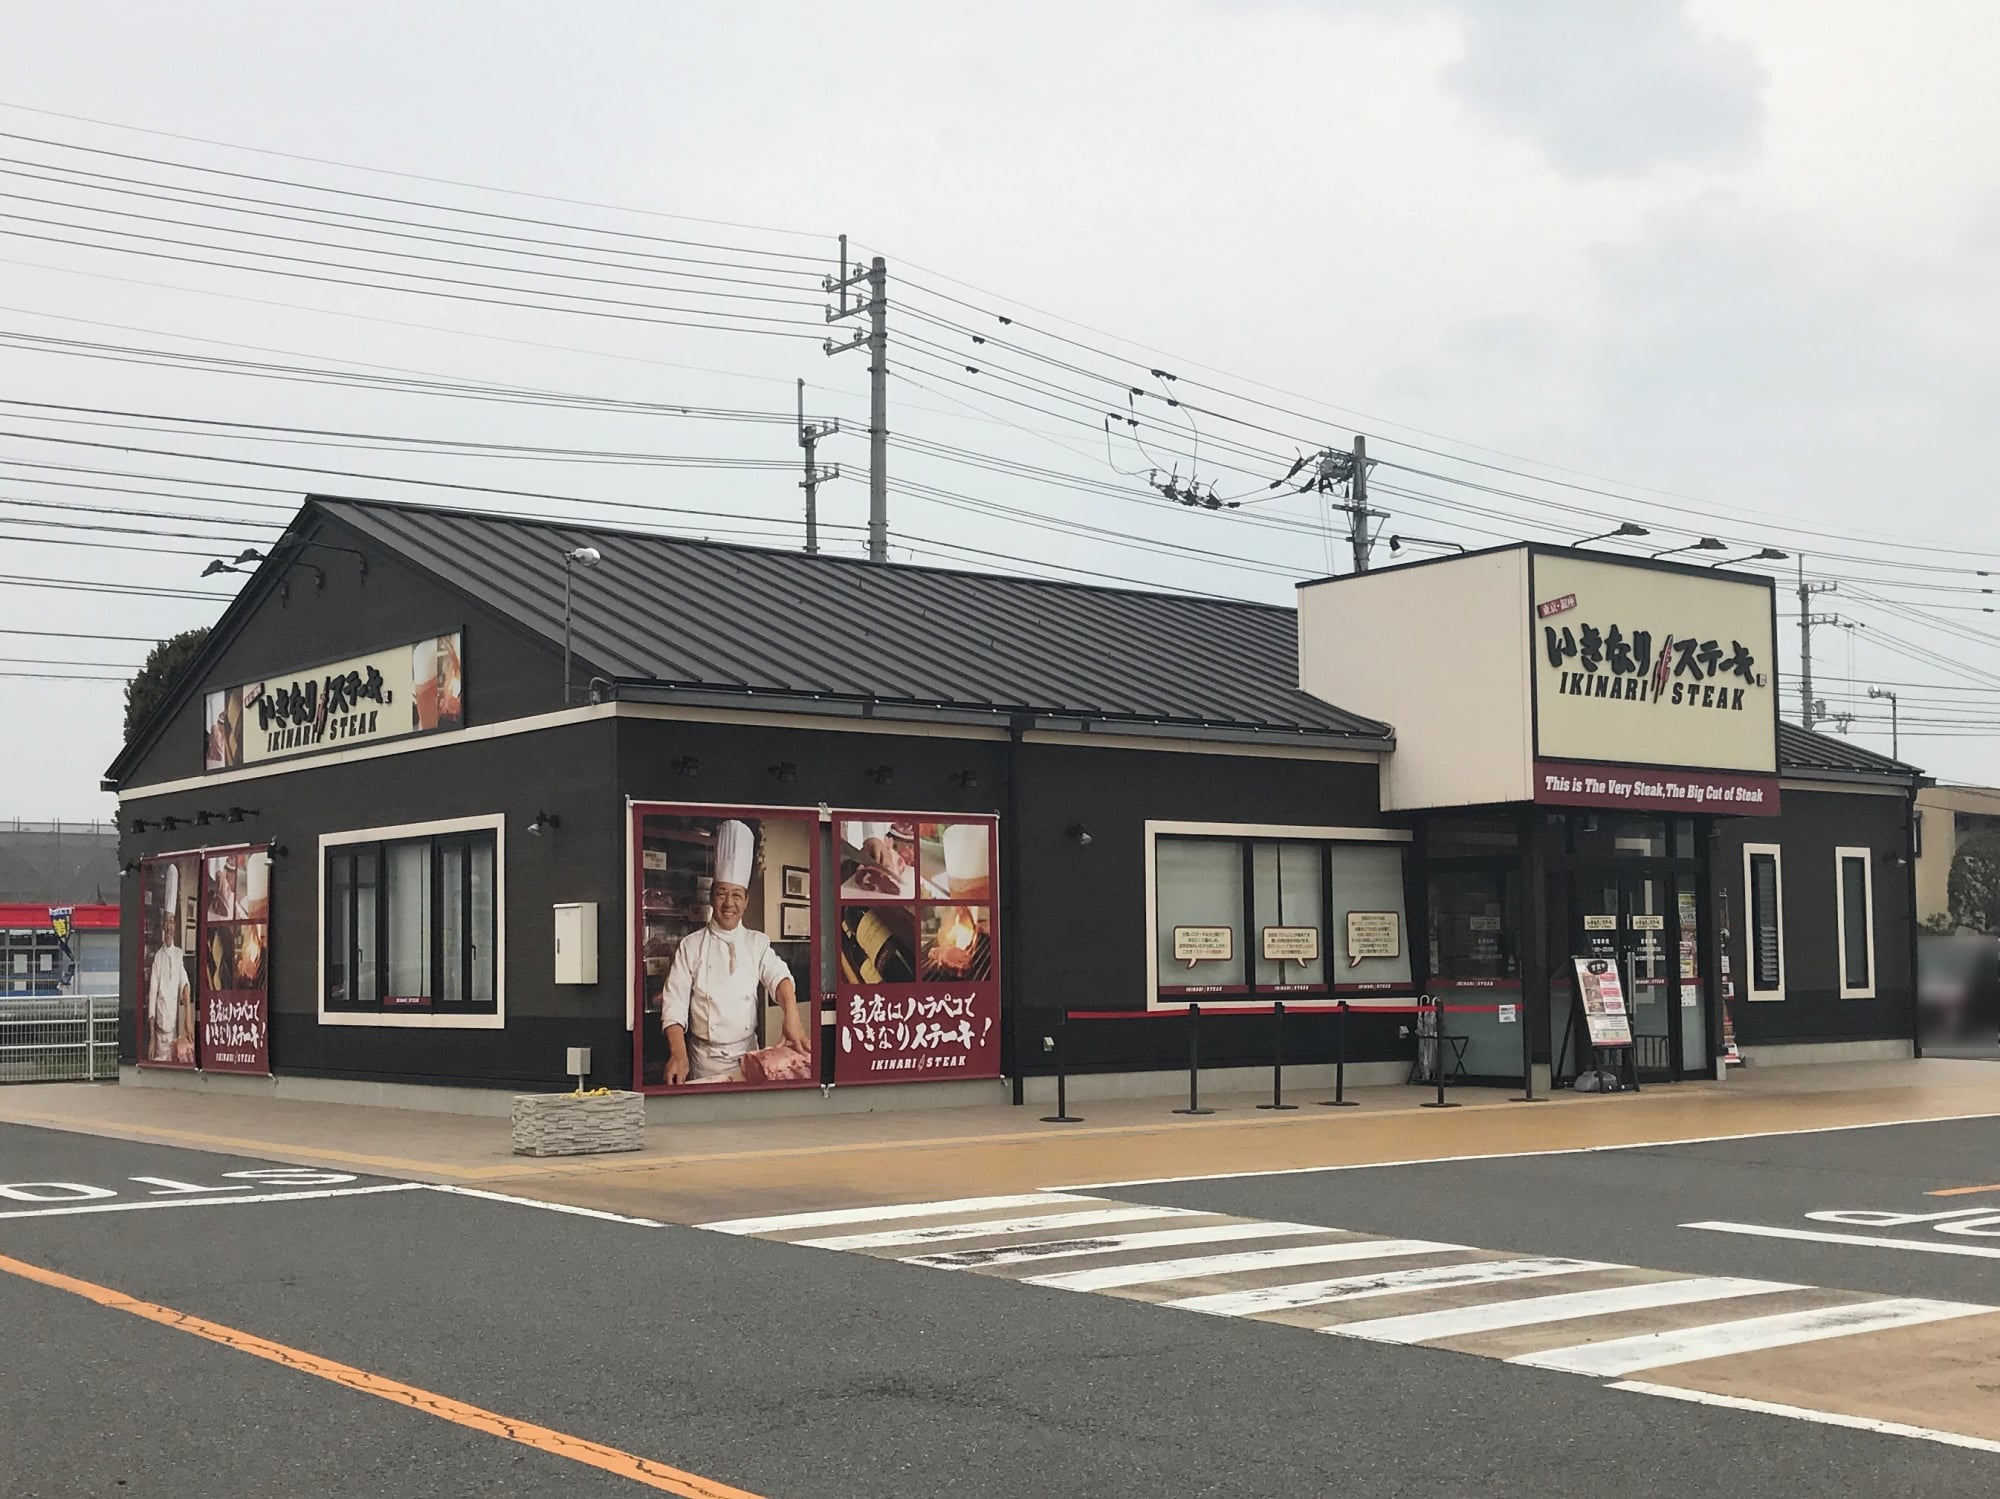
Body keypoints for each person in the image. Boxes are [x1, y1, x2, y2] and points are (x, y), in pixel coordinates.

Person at [661, 820, 808, 1084]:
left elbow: (779, 978)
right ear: (711, 896)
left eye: (737, 895)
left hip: (749, 1056)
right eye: (722, 894)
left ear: (746, 900)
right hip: (704, 1061)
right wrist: (678, 1053)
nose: (729, 903)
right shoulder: (691, 946)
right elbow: (674, 1005)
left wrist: (792, 1015)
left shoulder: (757, 943)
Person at [146, 865, 193, 1065]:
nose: (169, 931)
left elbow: (185, 986)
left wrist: (187, 1019)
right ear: (163, 930)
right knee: (159, 1060)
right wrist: (150, 1037)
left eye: (172, 927)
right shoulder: (158, 957)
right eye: (167, 927)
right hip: (159, 1026)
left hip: (172, 1024)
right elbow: (152, 994)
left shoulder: (178, 954)